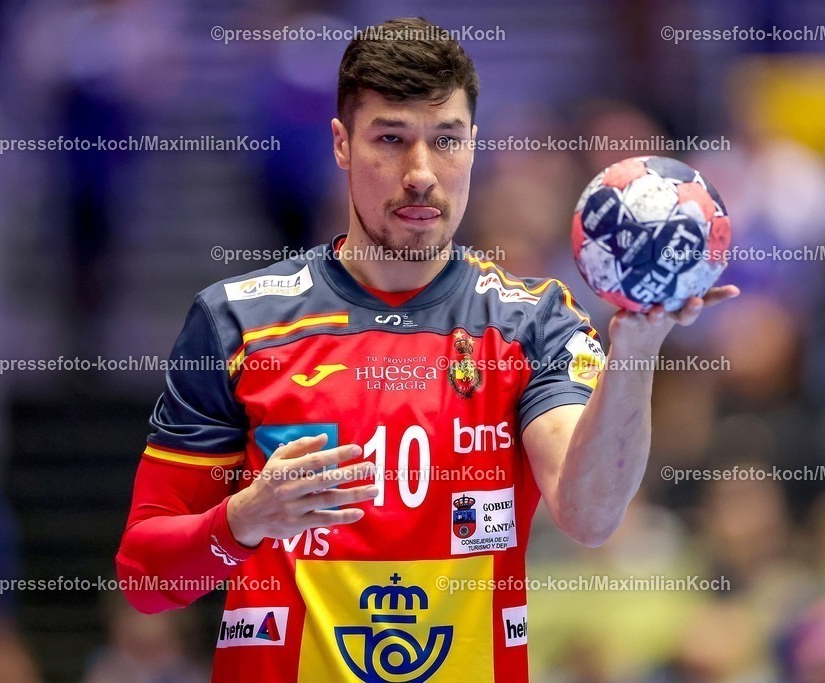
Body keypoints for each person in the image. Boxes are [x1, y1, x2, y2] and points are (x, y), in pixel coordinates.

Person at [115, 16, 737, 682]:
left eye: (446, 140)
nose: (421, 173)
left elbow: (589, 515)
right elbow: (146, 579)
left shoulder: (533, 324)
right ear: (342, 145)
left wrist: (638, 340)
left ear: (473, 145)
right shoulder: (237, 322)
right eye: (391, 139)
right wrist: (242, 518)